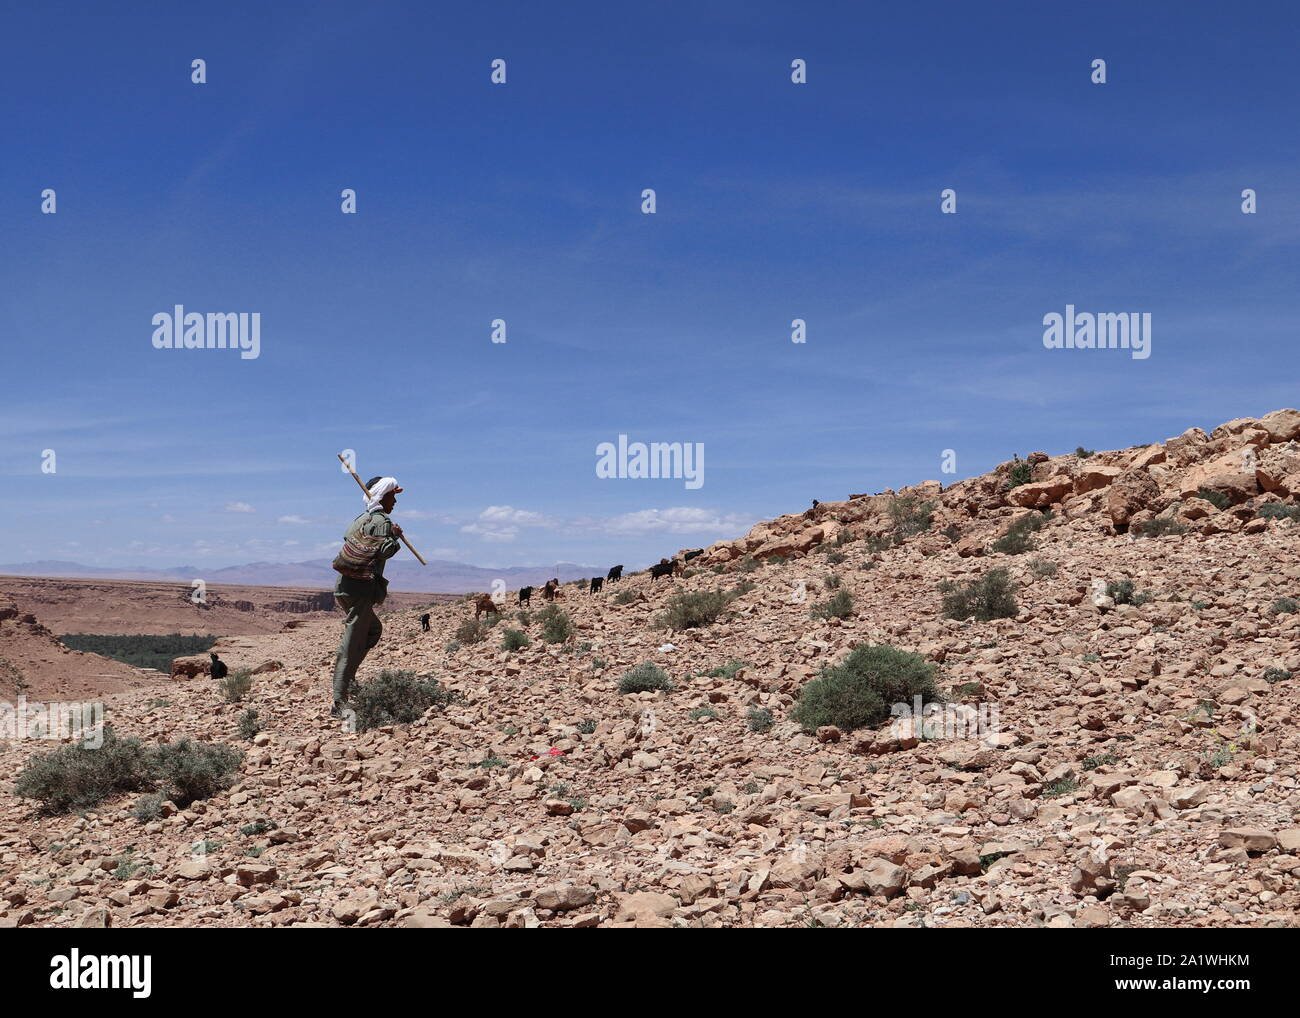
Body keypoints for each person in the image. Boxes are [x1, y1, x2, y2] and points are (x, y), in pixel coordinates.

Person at [330, 476, 404, 716]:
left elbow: (349, 540)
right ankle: (339, 701)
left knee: (372, 631)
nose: (395, 501)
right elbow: (384, 551)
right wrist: (394, 536)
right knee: (351, 645)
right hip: (361, 590)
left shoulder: (360, 519)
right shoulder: (382, 520)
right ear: (383, 495)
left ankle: (349, 680)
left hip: (345, 588)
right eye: (393, 495)